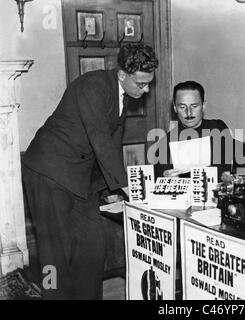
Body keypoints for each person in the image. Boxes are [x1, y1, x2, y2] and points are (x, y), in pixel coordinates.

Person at [22, 43, 158, 299]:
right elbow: (100, 141)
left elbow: (112, 144)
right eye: (141, 84)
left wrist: (111, 189)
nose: (146, 89)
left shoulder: (123, 96)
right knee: (55, 253)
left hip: (79, 178)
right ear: (122, 74)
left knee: (93, 245)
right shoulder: (92, 85)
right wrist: (130, 188)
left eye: (149, 82)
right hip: (48, 171)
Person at [152, 81, 236, 180]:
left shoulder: (219, 128)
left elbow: (238, 163)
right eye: (182, 107)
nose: (189, 112)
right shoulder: (167, 142)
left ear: (203, 106)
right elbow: (158, 181)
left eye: (194, 106)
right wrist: (166, 179)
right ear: (175, 108)